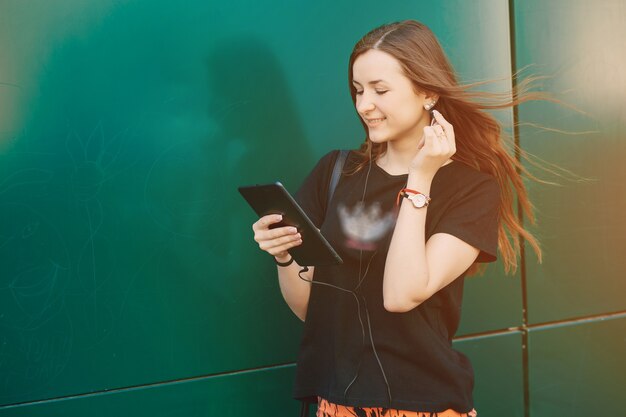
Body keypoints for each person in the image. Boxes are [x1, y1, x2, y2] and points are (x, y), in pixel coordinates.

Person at [252, 20, 544, 417]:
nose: (363, 105)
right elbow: (312, 310)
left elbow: (401, 294)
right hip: (336, 403)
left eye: (380, 90)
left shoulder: (470, 190)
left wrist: (420, 178)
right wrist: (284, 256)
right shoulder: (335, 173)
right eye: (357, 90)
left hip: (423, 405)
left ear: (427, 92)